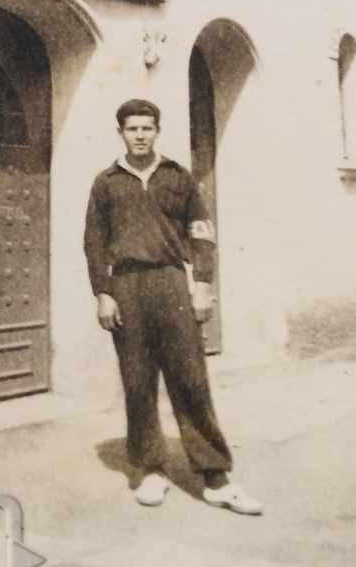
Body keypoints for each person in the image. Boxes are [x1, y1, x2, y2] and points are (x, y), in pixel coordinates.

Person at [83, 99, 263, 514]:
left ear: (157, 131)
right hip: (127, 285)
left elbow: (202, 232)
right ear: (121, 133)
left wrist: (201, 283)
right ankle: (151, 470)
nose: (140, 135)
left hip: (170, 281)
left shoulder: (177, 176)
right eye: (132, 129)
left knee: (190, 380)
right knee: (137, 381)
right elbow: (93, 242)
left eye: (147, 128)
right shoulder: (106, 182)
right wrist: (103, 292)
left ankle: (216, 478)